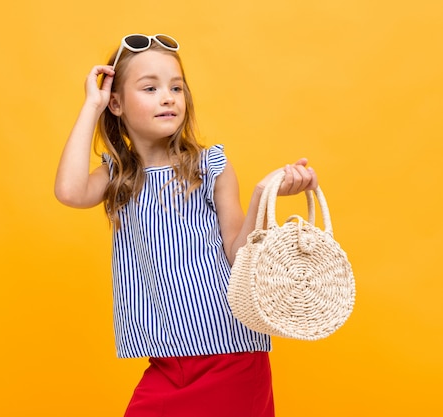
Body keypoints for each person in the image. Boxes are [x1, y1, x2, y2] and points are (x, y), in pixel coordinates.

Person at [54, 33, 317, 417]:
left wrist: (262, 196)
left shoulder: (210, 166)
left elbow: (236, 254)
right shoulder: (118, 174)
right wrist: (91, 106)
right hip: (166, 362)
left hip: (232, 352)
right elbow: (69, 191)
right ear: (116, 103)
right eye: (150, 87)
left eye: (176, 87)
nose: (168, 97)